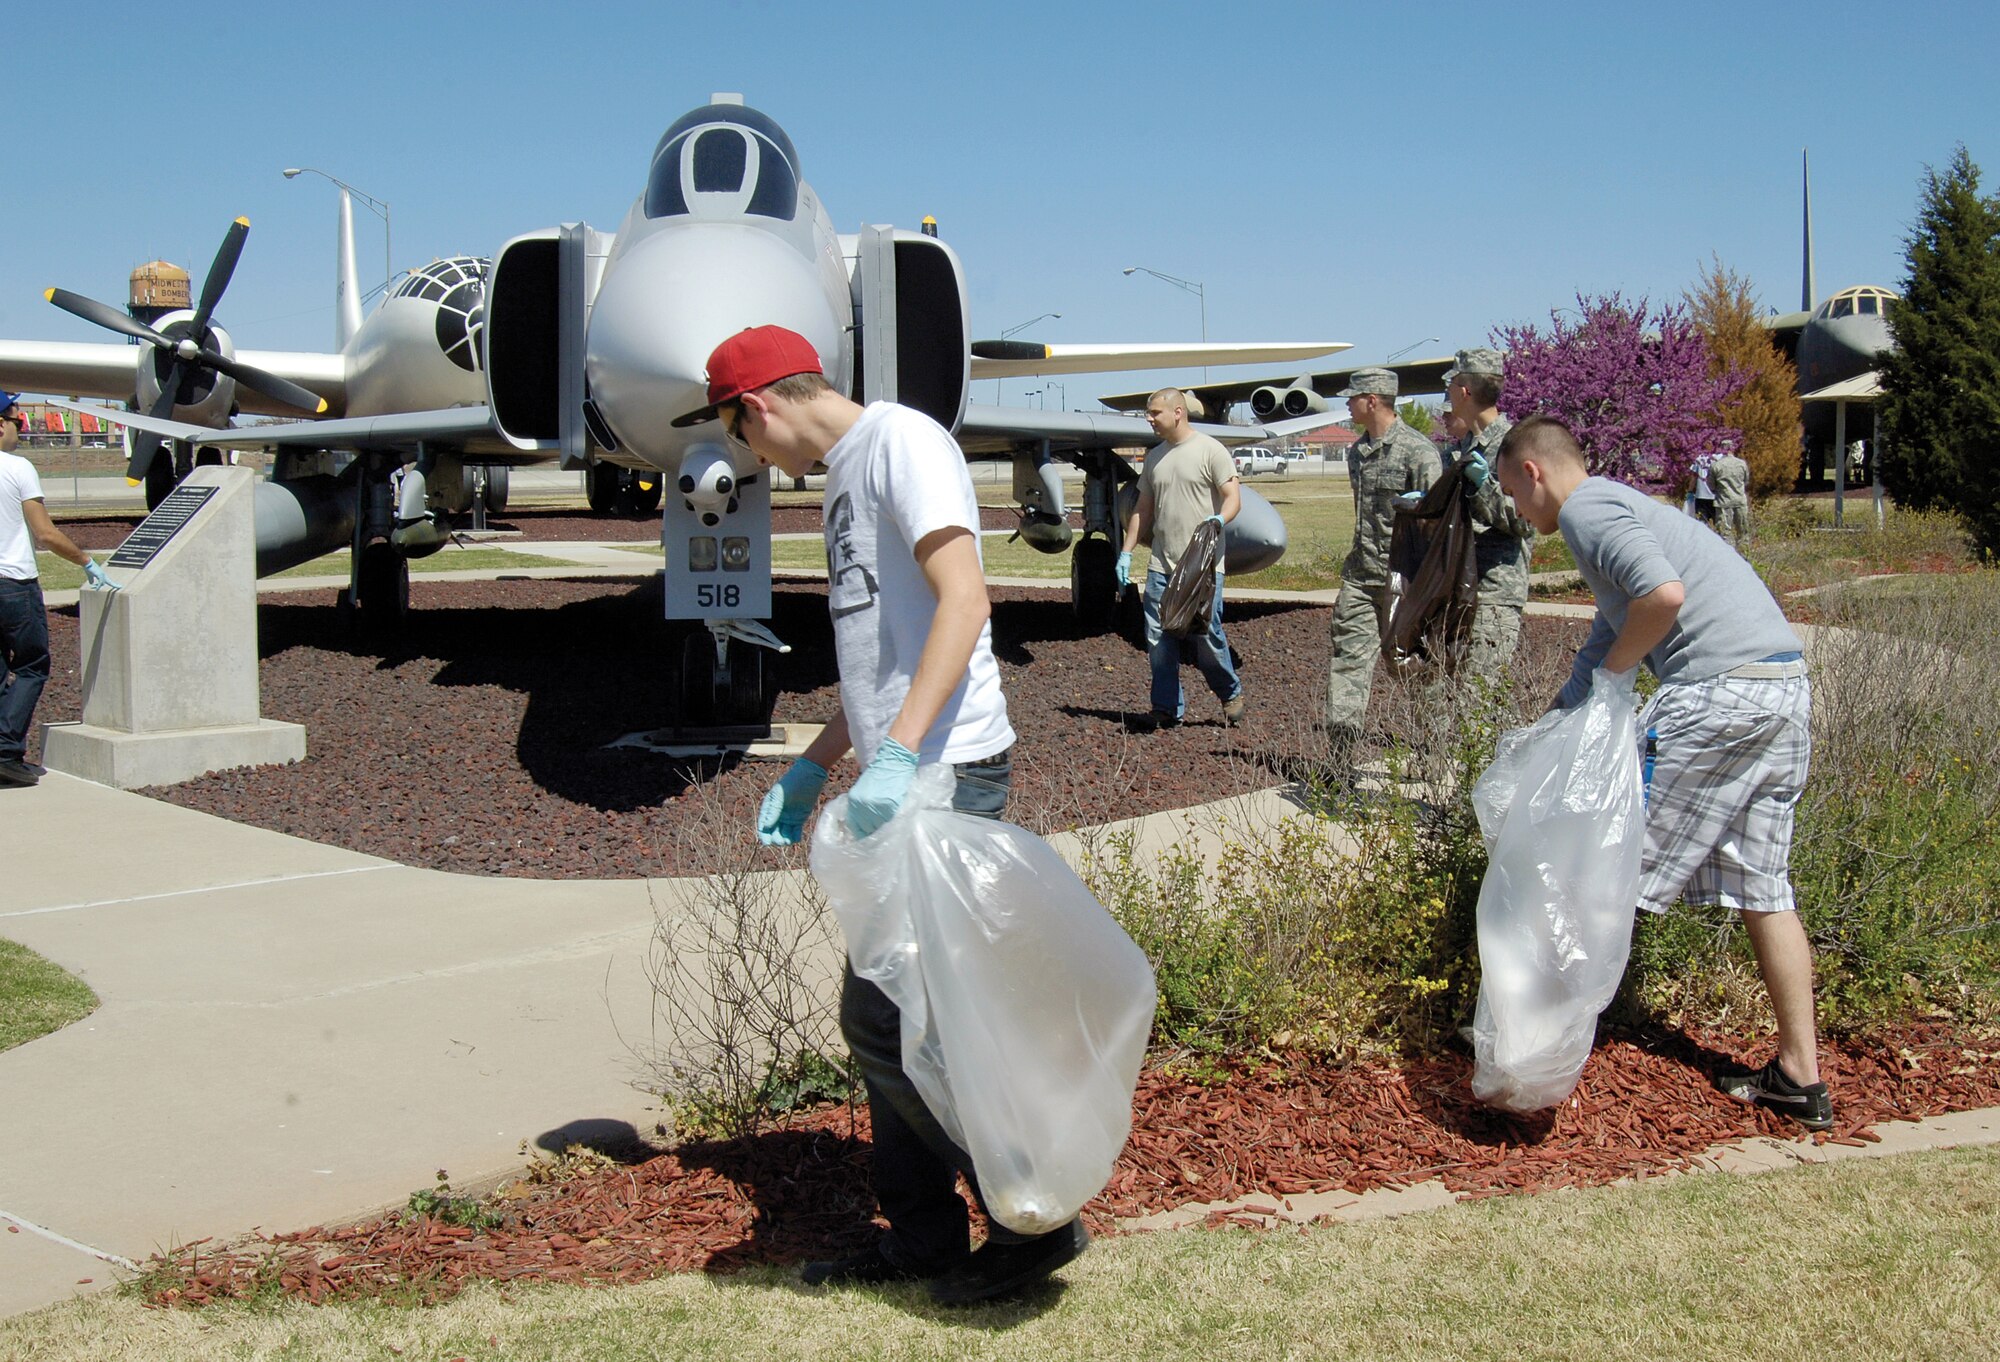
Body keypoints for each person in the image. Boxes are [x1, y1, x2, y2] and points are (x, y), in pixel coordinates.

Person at [679, 327, 1088, 1304]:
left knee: (893, 1019)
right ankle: (926, 1238)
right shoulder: (841, 476)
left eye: (737, 431)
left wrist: (899, 756)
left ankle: (1031, 1214)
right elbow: (884, 661)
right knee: (898, 1018)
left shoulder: (901, 445)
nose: (744, 454)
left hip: (947, 774)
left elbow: (963, 602)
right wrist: (819, 765)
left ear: (760, 405)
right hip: (905, 774)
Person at [1493, 415, 1830, 1130]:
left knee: (1597, 867)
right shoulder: (1619, 511)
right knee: (1763, 886)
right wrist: (1561, 719)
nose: (1520, 516)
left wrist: (1617, 685)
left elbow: (1663, 596)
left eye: (1514, 498)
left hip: (1718, 696)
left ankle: (1529, 1061)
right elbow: (1610, 635)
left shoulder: (1586, 508)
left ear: (1533, 473)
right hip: (1780, 690)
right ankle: (1800, 1075)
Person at [1323, 368, 1440, 762]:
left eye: (1352, 398)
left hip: (1403, 582)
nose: (1347, 404)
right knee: (1348, 664)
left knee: (1411, 668)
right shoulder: (1357, 452)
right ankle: (1340, 765)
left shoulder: (1418, 451)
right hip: (1360, 577)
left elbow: (1435, 524)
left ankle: (1434, 752)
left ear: (1372, 400)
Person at [2, 393, 116, 789]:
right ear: (1, 424)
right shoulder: (17, 468)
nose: (22, 430)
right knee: (32, 665)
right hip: (12, 583)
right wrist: (86, 562)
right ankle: (4, 752)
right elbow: (45, 533)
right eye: (18, 422)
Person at [1116, 388, 1246, 729]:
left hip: (1202, 566)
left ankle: (1230, 692)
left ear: (1178, 412)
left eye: (1155, 413)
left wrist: (1220, 519)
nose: (1149, 419)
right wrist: (1126, 552)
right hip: (1162, 564)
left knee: (1206, 635)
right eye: (1148, 413)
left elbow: (1232, 497)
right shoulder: (1155, 457)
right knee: (1159, 640)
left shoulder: (1210, 451)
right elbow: (1142, 510)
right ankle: (1166, 708)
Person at [1440, 347, 1534, 683]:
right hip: (1460, 586)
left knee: (1481, 696)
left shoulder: (1514, 445)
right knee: (1457, 692)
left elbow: (1525, 520)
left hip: (1495, 591)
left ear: (1463, 391)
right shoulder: (1465, 446)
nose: (1447, 393)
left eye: (1451, 386)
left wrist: (1483, 486)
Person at [1710, 439, 1752, 548]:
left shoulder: (1716, 466)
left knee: (1724, 534)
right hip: (1740, 500)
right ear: (1733, 448)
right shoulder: (1742, 464)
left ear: (1721, 449)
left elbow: (1711, 486)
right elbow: (1746, 481)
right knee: (1743, 533)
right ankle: (1744, 555)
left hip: (1723, 501)